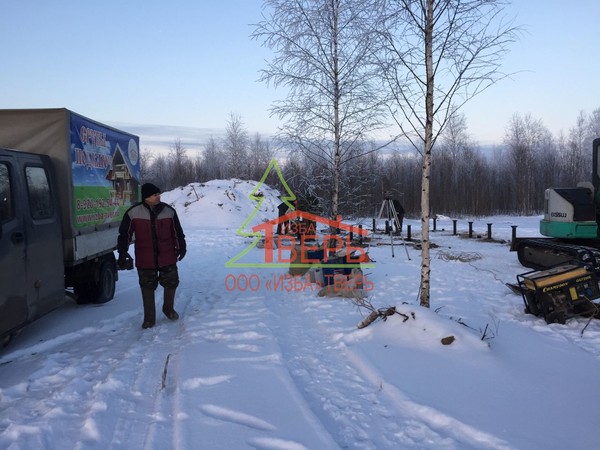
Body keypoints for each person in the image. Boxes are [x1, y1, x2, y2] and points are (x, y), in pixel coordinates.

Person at [117, 183, 186, 329]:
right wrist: (122, 253)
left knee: (172, 282)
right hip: (145, 257)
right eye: (155, 195)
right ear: (147, 197)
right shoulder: (133, 213)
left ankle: (168, 308)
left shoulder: (169, 211)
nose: (158, 196)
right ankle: (149, 318)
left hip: (167, 255)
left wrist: (181, 247)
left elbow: (177, 232)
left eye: (159, 194)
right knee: (147, 286)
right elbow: (124, 235)